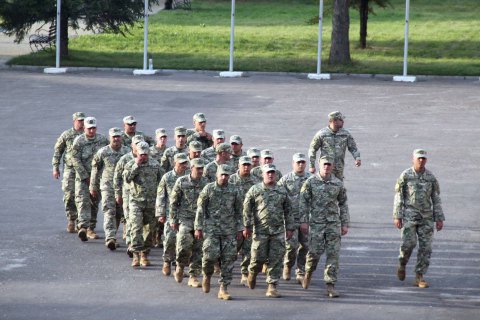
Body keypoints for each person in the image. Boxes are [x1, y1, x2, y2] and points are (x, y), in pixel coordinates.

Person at [393, 149, 445, 288]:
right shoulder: (406, 175)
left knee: (426, 248)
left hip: (426, 218)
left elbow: (436, 198)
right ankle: (402, 264)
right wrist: (397, 215)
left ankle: (419, 276)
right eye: (419, 158)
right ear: (413, 159)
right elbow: (398, 197)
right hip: (410, 217)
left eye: (423, 159)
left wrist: (439, 218)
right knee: (408, 245)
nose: (421, 161)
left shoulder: (430, 177)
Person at [300, 156, 349, 298]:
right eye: (324, 164)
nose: (326, 167)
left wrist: (344, 223)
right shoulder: (310, 182)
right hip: (317, 223)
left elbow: (343, 204)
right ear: (319, 166)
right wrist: (304, 221)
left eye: (329, 165)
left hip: (333, 223)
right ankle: (308, 271)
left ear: (332, 166)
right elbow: (303, 202)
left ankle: (330, 285)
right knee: (315, 252)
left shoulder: (337, 184)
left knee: (333, 254)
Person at [243, 164, 295, 298]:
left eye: (272, 173)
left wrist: (289, 228)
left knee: (276, 259)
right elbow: (247, 210)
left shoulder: (282, 191)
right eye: (268, 173)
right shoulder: (255, 190)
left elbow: (288, 211)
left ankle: (272, 285)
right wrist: (247, 226)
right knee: (257, 259)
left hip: (277, 231)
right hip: (260, 231)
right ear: (263, 174)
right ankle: (253, 273)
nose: (270, 175)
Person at [195, 164, 243, 300]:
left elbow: (239, 211)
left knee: (228, 259)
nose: (224, 177)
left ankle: (224, 288)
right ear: (217, 175)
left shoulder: (234, 190)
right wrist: (198, 227)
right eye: (222, 174)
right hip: (211, 230)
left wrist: (241, 228)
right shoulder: (209, 189)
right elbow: (200, 209)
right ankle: (207, 275)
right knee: (210, 256)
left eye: (226, 175)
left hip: (229, 230)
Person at [169, 158, 209, 287]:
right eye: (198, 168)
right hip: (185, 219)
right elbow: (174, 202)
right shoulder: (181, 182)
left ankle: (193, 276)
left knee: (199, 249)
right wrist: (173, 219)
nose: (200, 171)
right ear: (191, 168)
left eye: (202, 168)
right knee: (184, 245)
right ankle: (180, 265)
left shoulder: (206, 183)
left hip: (201, 221)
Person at [89, 128, 130, 250]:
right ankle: (110, 237)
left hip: (123, 187)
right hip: (107, 186)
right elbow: (95, 170)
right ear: (110, 137)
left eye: (118, 136)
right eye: (114, 137)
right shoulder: (103, 152)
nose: (116, 139)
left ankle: (114, 234)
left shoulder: (127, 152)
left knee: (119, 212)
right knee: (109, 211)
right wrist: (93, 186)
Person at [124, 142, 163, 267]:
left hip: (151, 202)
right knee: (136, 227)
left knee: (149, 230)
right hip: (136, 201)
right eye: (141, 154)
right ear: (137, 153)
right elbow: (126, 179)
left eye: (145, 155)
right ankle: (135, 254)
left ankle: (144, 254)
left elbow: (162, 183)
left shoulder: (155, 165)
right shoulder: (131, 164)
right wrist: (137, 165)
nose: (143, 157)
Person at [71, 117, 109, 242]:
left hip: (98, 177)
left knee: (94, 202)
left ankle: (90, 228)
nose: (91, 131)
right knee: (82, 201)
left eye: (93, 128)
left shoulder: (102, 140)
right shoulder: (79, 141)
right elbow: (75, 159)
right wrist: (85, 176)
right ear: (84, 128)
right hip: (82, 178)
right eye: (89, 128)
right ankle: (82, 226)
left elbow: (107, 156)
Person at [278, 153, 311, 284]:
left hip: (306, 219)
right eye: (298, 162)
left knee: (306, 246)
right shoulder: (285, 180)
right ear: (293, 164)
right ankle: (288, 265)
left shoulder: (311, 179)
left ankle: (300, 271)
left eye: (303, 162)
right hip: (290, 219)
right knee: (291, 246)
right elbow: (278, 197)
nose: (301, 164)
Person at [155, 153, 189, 276]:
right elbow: (161, 196)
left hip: (186, 214)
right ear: (175, 163)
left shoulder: (189, 176)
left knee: (184, 241)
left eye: (185, 163)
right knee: (170, 239)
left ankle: (179, 267)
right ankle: (167, 261)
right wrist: (161, 213)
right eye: (181, 163)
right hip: (171, 213)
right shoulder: (167, 177)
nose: (184, 166)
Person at [52, 112, 85, 233]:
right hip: (70, 169)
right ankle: (71, 219)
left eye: (83, 120)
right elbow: (58, 151)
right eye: (79, 121)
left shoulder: (87, 135)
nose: (81, 123)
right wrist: (55, 167)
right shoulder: (67, 135)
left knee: (83, 197)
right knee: (69, 194)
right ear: (74, 121)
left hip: (84, 170)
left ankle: (82, 223)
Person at [113, 135, 145, 256]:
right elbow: (117, 177)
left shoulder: (147, 159)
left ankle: (136, 242)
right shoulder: (125, 159)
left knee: (139, 221)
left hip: (143, 195)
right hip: (128, 194)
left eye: (141, 144)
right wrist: (118, 193)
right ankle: (132, 244)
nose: (139, 146)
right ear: (132, 145)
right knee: (130, 218)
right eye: (136, 144)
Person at [229, 156, 258, 285]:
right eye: (244, 165)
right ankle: (225, 267)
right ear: (238, 166)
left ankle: (245, 273)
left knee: (248, 248)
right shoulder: (231, 180)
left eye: (248, 165)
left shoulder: (256, 182)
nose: (246, 167)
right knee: (231, 249)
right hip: (233, 220)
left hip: (250, 220)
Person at [308, 111, 361, 180]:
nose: (343, 121)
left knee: (338, 188)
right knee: (324, 187)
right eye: (341, 120)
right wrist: (311, 165)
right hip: (326, 169)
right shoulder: (322, 134)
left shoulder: (345, 134)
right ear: (334, 121)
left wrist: (357, 158)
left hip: (339, 169)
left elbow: (353, 148)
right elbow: (313, 149)